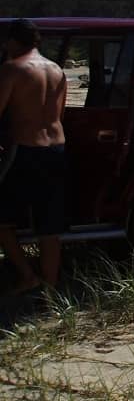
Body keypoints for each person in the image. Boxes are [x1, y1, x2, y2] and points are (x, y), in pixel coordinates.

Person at [0, 19, 68, 292]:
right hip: (57, 149)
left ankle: (27, 275)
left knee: (2, 220)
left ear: (12, 41)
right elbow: (59, 115)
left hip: (26, 150)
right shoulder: (57, 70)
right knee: (49, 227)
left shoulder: (12, 69)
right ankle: (51, 291)